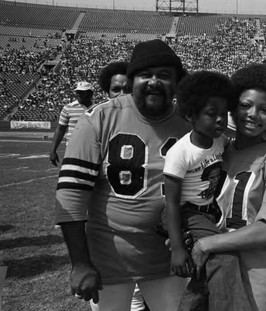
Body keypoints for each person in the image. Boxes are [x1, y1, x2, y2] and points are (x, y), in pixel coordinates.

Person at [54, 39, 191, 311]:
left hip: (169, 258)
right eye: (145, 75)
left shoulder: (190, 120)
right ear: (132, 80)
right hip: (109, 258)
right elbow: (71, 194)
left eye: (164, 76)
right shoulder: (99, 118)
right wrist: (80, 263)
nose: (154, 82)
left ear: (177, 83)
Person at [189, 63, 266, 311]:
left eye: (264, 109)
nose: (253, 114)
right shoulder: (216, 151)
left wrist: (208, 244)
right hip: (209, 267)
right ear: (232, 107)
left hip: (254, 274)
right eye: (245, 105)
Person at [161, 70, 252, 311]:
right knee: (225, 257)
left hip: (208, 213)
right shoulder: (180, 152)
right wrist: (178, 248)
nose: (220, 120)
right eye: (212, 114)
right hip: (185, 212)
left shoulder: (220, 141)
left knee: (203, 269)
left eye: (224, 114)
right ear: (190, 114)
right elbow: (171, 202)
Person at [98, 60, 147, 311]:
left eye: (127, 88)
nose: (121, 95)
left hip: (147, 244)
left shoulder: (155, 122)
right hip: (107, 240)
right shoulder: (97, 122)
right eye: (115, 89)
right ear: (106, 91)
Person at [49, 81, 94, 166]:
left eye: (82, 93)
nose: (79, 95)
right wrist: (53, 150)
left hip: (92, 150)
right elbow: (60, 129)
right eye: (77, 92)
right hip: (72, 149)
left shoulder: (98, 109)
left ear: (90, 94)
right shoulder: (68, 108)